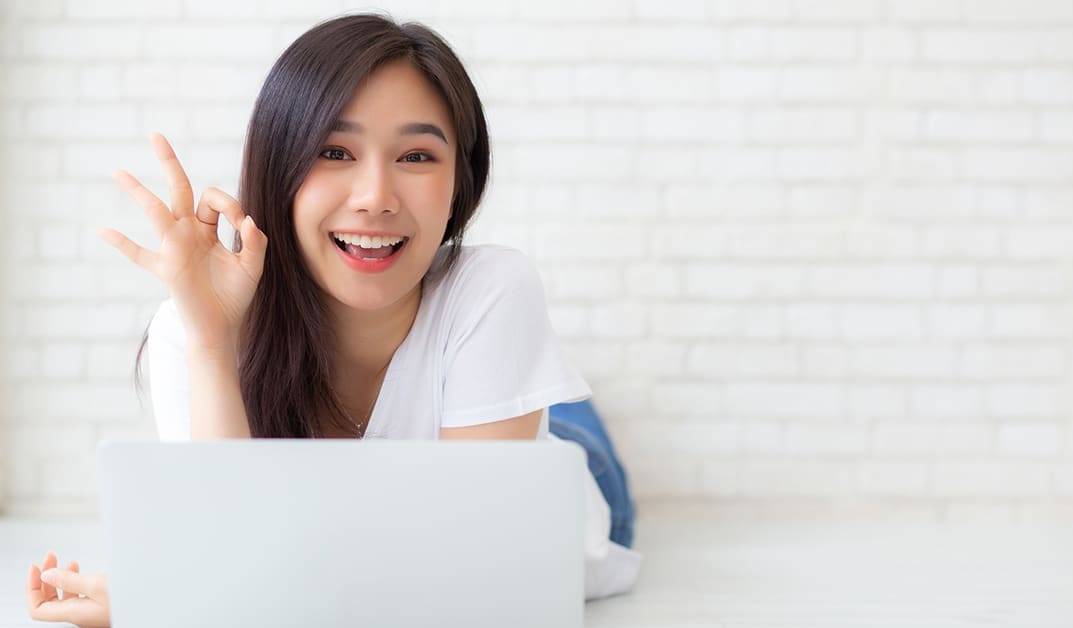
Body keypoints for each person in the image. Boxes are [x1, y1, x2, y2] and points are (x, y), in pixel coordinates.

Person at [24, 13, 640, 627]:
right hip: (477, 399)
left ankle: (535, 390)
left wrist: (169, 593)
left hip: (571, 482)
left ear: (461, 183)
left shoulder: (494, 287)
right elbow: (226, 565)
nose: (375, 196)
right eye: (335, 151)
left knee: (557, 430)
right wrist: (213, 342)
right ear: (279, 168)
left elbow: (470, 580)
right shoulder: (190, 327)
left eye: (418, 155)